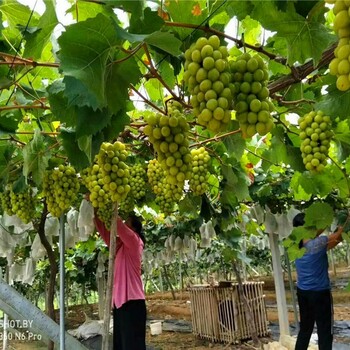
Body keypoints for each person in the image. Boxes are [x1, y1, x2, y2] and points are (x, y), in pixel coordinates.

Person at [94, 211, 146, 350]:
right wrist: (96, 209)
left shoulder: (135, 242)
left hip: (132, 303)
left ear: (134, 229)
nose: (123, 224)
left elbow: (118, 225)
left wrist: (110, 207)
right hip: (120, 304)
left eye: (127, 222)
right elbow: (106, 234)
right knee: (121, 344)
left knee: (132, 345)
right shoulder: (119, 246)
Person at [293, 212, 343, 350]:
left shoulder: (295, 247)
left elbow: (331, 241)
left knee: (305, 329)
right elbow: (338, 237)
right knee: (325, 331)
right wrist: (342, 223)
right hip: (320, 294)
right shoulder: (318, 243)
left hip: (303, 293)